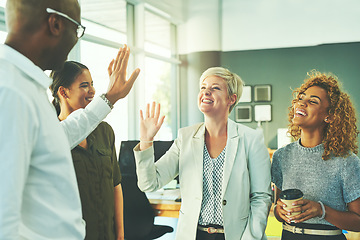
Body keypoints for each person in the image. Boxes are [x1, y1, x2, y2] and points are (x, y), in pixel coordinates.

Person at [0, 0, 140, 239]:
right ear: (55, 24)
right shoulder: (11, 92)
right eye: (77, 30)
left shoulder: (25, 87)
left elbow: (61, 136)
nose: (76, 39)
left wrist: (109, 99)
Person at [134, 67, 272, 240]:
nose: (206, 92)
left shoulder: (251, 139)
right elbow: (149, 184)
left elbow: (261, 197)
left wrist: (250, 237)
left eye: (215, 88)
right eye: (203, 87)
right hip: (194, 235)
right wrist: (146, 140)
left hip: (237, 236)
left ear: (231, 99)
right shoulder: (185, 137)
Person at [271, 71, 360, 240]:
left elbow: (358, 221)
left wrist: (321, 210)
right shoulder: (281, 156)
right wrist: (278, 210)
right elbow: (278, 209)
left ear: (330, 116)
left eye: (312, 101)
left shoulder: (347, 161)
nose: (301, 103)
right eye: (300, 98)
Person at [50, 61, 124, 240]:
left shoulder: (104, 131)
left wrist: (120, 235)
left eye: (92, 84)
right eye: (84, 85)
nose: (92, 91)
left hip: (106, 233)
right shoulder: (50, 136)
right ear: (63, 91)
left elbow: (115, 185)